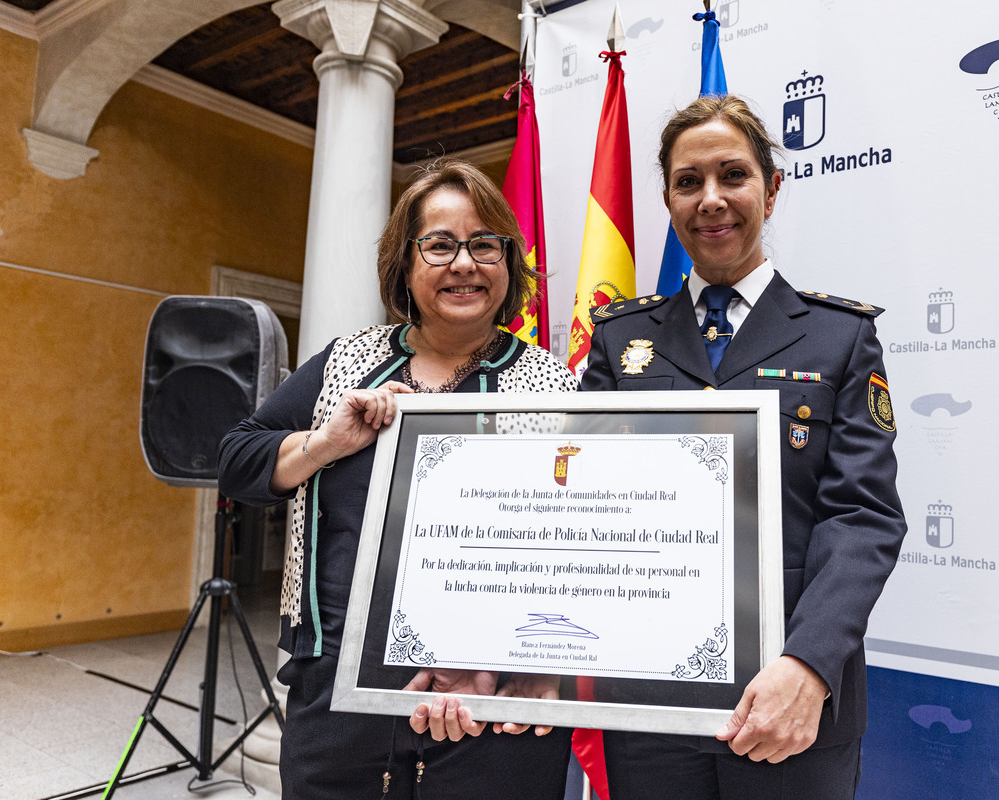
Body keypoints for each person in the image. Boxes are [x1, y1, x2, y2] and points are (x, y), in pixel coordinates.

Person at [580, 95, 907, 799]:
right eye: (689, 182)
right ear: (667, 199)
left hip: (794, 703)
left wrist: (810, 665)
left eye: (733, 175)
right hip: (648, 702)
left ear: (773, 187)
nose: (712, 200)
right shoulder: (616, 340)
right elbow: (585, 508)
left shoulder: (839, 337)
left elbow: (863, 517)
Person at [219, 160, 577, 800]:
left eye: (484, 245)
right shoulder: (348, 361)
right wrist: (324, 443)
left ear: (509, 263)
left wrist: (506, 664)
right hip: (336, 689)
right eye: (439, 245)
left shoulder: (551, 385)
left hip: (492, 693)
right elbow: (238, 462)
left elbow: (577, 545)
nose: (464, 263)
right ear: (404, 265)